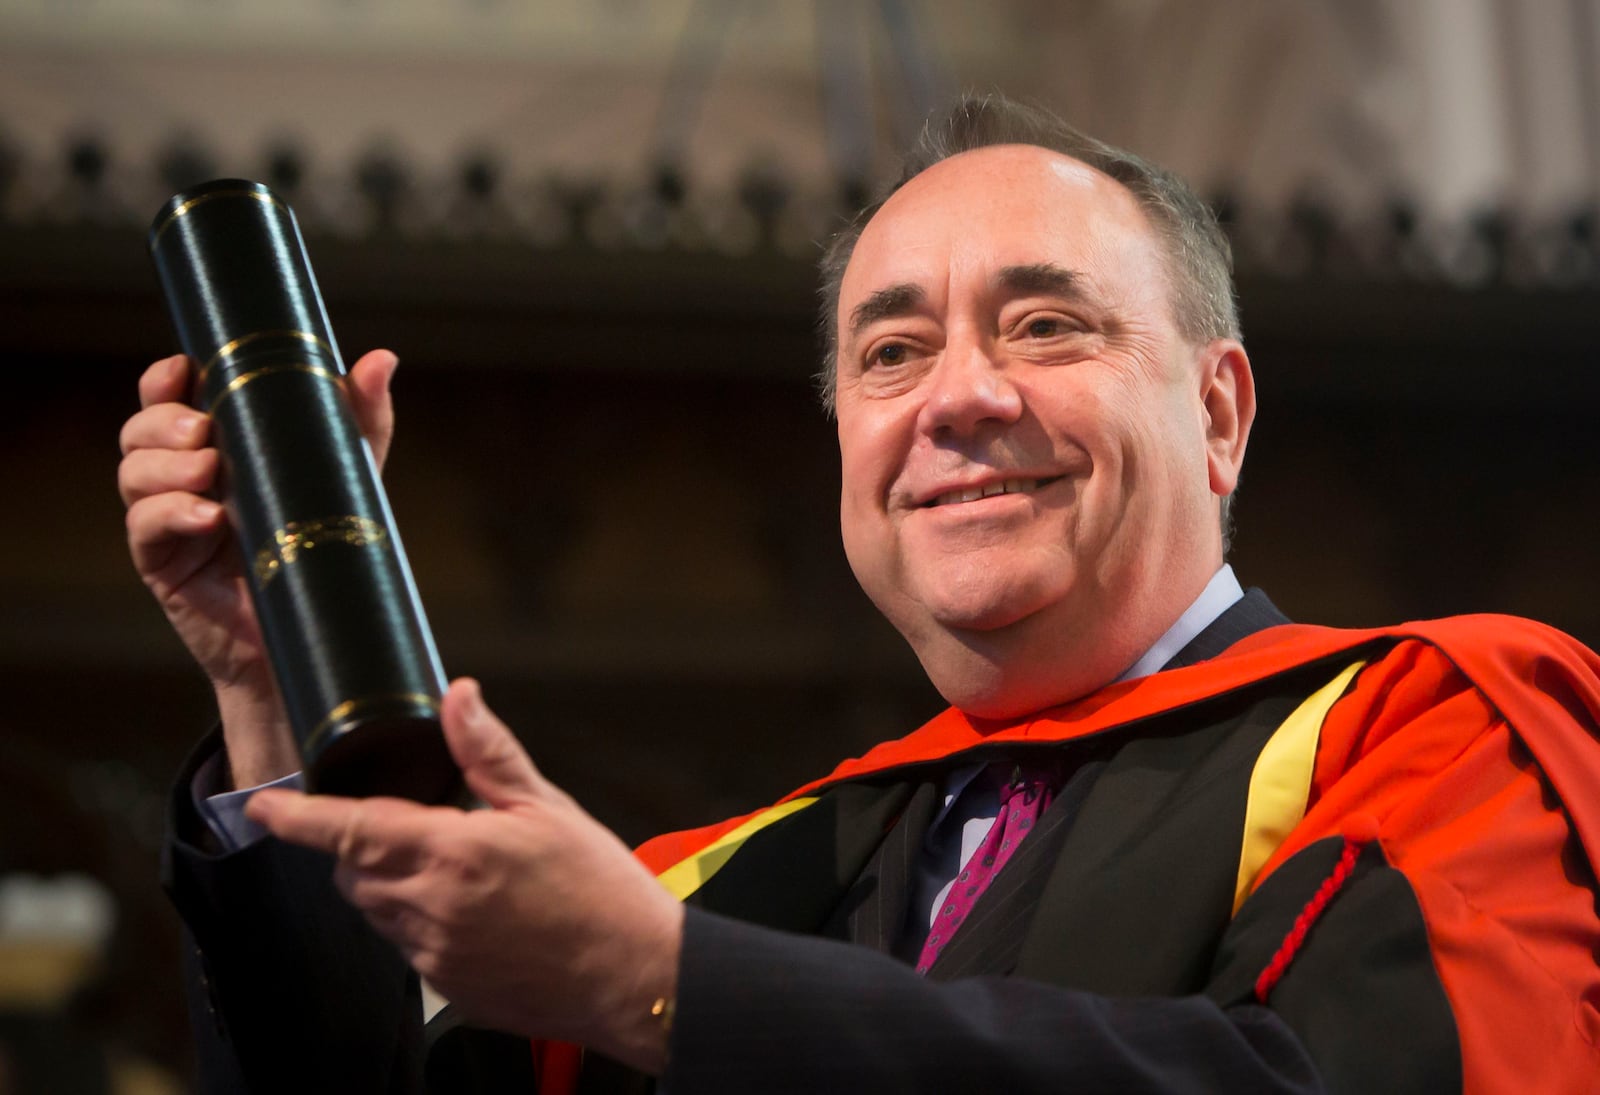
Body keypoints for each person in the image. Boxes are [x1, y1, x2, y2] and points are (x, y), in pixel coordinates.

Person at [119, 95, 1600, 1092]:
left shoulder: (1434, 725)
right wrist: (272, 682)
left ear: (1217, 413)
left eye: (1044, 323)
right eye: (890, 354)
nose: (959, 398)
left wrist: (672, 988)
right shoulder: (747, 873)